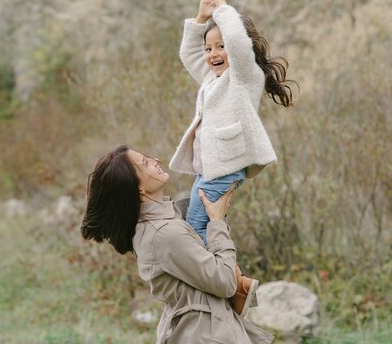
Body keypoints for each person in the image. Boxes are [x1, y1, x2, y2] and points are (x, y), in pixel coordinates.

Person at [81, 145, 274, 344]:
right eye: (145, 163)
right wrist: (217, 222)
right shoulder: (164, 234)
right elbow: (225, 283)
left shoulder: (162, 224)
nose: (156, 160)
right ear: (138, 187)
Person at [169, 0, 295, 245]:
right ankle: (226, 279)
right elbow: (188, 53)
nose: (213, 54)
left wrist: (224, 10)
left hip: (225, 167)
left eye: (220, 46)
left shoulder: (243, 75)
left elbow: (237, 43)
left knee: (195, 228)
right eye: (209, 49)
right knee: (201, 225)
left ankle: (214, 277)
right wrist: (201, 18)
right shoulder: (213, 77)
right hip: (210, 170)